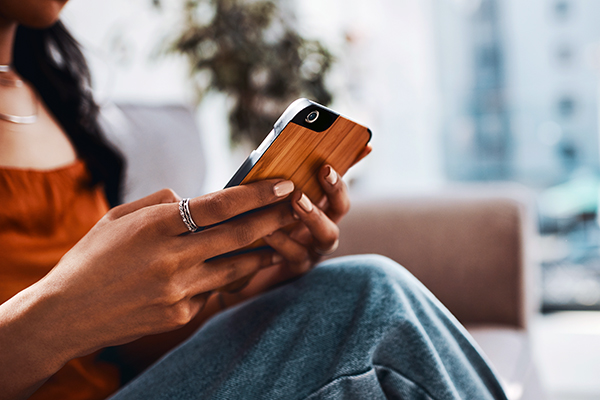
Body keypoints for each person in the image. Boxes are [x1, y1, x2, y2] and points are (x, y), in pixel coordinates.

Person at [0, 1, 508, 399]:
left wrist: (236, 287)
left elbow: (112, 350)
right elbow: (70, 322)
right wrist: (59, 314)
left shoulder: (51, 95)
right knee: (371, 300)